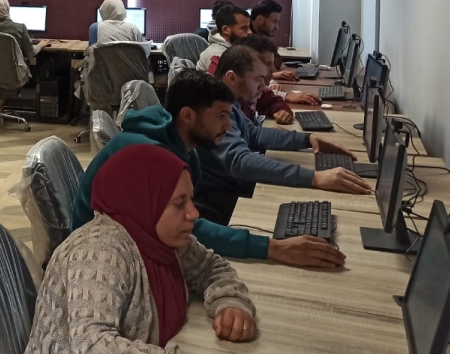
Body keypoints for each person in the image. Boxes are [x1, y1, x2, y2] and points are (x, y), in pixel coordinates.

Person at [13, 145, 275, 354]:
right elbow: (95, 348)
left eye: (190, 199)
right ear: (144, 201)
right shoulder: (101, 252)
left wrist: (230, 302)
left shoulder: (155, 236)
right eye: (179, 203)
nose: (193, 213)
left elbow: (211, 268)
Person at [71, 69, 344, 269]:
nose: (228, 126)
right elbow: (186, 226)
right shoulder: (150, 156)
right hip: (100, 261)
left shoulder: (174, 136)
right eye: (221, 116)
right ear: (188, 115)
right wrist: (272, 247)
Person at [194, 45, 371, 225]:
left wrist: (307, 139)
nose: (263, 87)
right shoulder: (214, 109)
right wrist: (314, 177)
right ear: (231, 78)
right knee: (308, 210)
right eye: (258, 79)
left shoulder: (230, 103)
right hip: (218, 197)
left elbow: (253, 134)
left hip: (231, 185)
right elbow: (240, 162)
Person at [231, 33, 320, 126]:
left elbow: (272, 101)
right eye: (267, 64)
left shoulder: (254, 90)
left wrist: (282, 111)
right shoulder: (229, 105)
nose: (273, 70)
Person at [249, 0, 297, 81]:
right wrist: (272, 74)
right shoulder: (246, 38)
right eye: (274, 22)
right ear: (260, 20)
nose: (277, 27)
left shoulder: (261, 36)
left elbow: (277, 59)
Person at [195, 4, 252, 73]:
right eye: (244, 28)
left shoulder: (234, 49)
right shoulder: (217, 55)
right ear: (226, 30)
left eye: (249, 27)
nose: (250, 32)